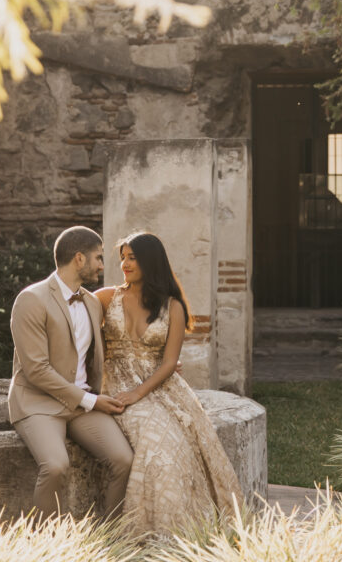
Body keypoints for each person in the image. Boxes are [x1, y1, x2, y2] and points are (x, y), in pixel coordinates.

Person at [94, 230, 242, 536]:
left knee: (175, 445)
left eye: (132, 258)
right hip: (115, 383)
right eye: (122, 258)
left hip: (157, 386)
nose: (125, 264)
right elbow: (80, 337)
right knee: (154, 446)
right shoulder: (105, 298)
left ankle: (180, 537)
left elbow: (169, 363)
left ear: (150, 261)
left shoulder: (173, 306)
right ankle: (143, 535)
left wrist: (138, 392)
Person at [7, 226, 134, 518]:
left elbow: (113, 347)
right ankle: (47, 546)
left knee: (123, 459)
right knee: (55, 465)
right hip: (38, 402)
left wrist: (162, 362)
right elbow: (37, 370)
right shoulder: (31, 300)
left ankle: (109, 539)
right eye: (98, 258)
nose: (103, 266)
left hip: (81, 405)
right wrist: (91, 401)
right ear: (79, 259)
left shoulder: (91, 302)